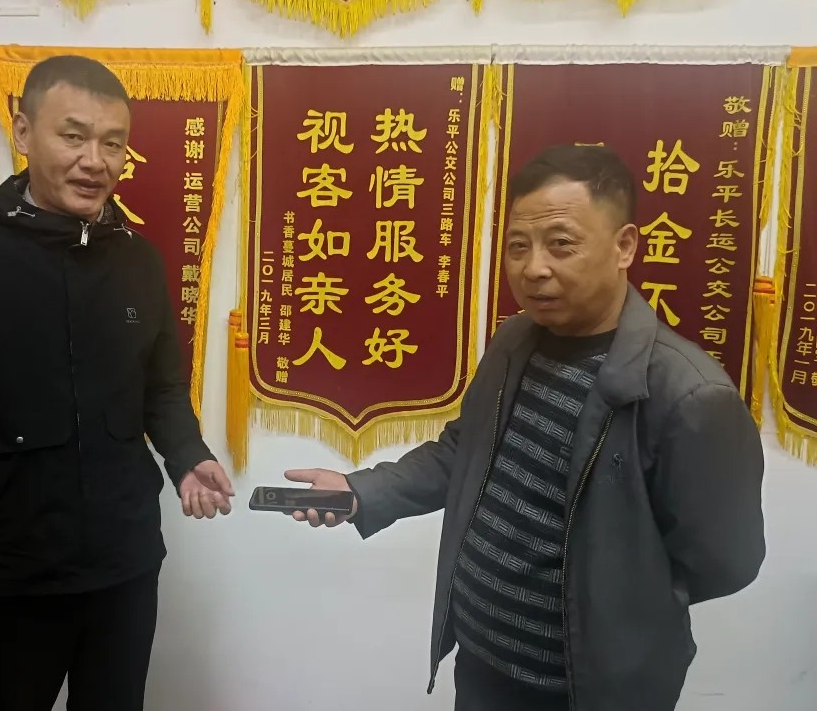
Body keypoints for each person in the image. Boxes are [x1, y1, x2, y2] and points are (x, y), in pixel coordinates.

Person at [285, 144, 765, 711]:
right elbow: (462, 453)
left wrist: (622, 610)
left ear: (625, 246)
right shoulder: (515, 340)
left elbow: (726, 562)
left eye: (561, 244)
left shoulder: (688, 396)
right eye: (518, 245)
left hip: (589, 693)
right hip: (482, 666)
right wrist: (359, 491)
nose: (534, 267)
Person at [0, 55, 234, 711]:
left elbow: (162, 386)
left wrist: (189, 456)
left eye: (113, 143)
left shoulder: (137, 259)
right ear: (23, 132)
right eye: (73, 136)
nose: (94, 161)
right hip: (6, 572)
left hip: (123, 565)